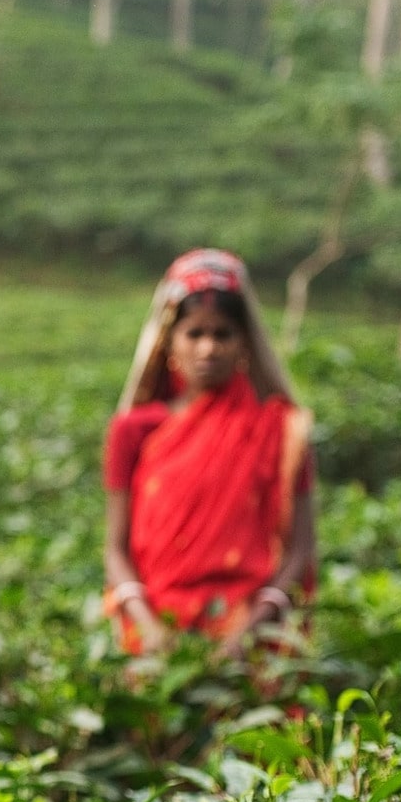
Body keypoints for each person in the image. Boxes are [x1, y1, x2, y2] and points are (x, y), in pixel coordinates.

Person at [103, 249, 316, 656]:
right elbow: (116, 548)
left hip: (248, 630)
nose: (208, 349)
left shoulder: (280, 429)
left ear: (244, 344)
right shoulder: (134, 431)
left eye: (222, 334)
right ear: (170, 342)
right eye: (195, 334)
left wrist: (247, 634)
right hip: (154, 630)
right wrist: (149, 629)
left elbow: (300, 549)